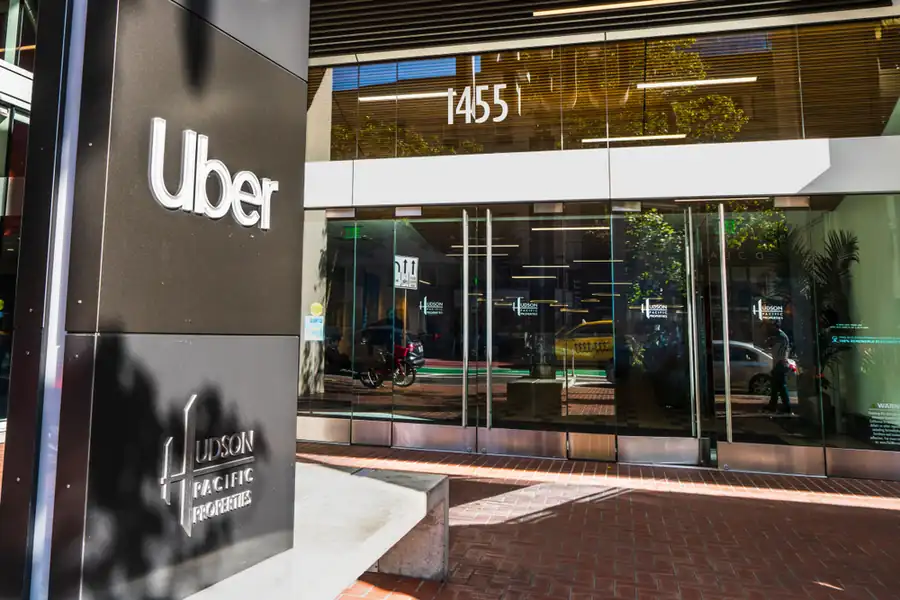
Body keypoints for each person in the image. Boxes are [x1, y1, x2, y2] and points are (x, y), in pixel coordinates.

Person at [766, 321, 792, 414]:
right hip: (779, 363)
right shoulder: (780, 336)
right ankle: (773, 405)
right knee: (776, 386)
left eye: (772, 326)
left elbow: (769, 343)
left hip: (780, 364)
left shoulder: (780, 336)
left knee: (780, 386)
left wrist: (769, 340)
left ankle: (786, 407)